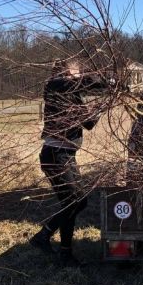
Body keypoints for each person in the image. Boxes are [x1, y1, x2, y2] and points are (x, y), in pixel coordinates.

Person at [29, 59, 111, 267]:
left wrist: (102, 106)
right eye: (75, 74)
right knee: (72, 201)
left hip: (66, 155)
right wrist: (109, 81)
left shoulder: (72, 96)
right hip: (55, 155)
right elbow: (83, 83)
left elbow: (89, 123)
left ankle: (44, 236)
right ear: (63, 75)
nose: (78, 77)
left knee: (79, 201)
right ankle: (63, 252)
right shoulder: (54, 87)